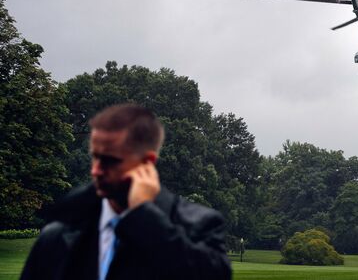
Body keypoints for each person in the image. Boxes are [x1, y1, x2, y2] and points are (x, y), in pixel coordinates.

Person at [20, 104, 232, 280]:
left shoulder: (200, 226)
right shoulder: (57, 235)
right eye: (95, 157)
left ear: (147, 162)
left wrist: (143, 214)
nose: (96, 171)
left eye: (110, 161)